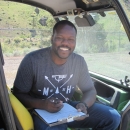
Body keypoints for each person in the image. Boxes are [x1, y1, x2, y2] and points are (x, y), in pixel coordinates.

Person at [13, 20, 121, 130]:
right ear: (52, 39)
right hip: (40, 111)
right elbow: (18, 94)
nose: (65, 43)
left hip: (68, 108)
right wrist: (43, 104)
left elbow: (90, 90)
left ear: (75, 42)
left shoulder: (79, 62)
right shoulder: (32, 60)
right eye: (60, 38)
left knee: (113, 117)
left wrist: (84, 104)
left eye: (71, 39)